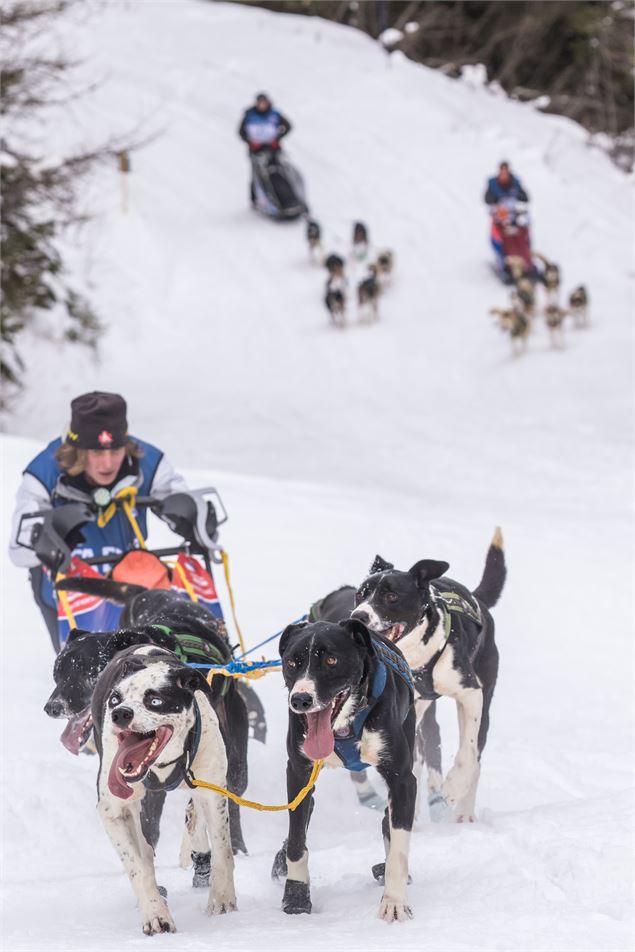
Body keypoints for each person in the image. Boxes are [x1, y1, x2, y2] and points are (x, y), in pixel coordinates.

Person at [9, 391, 189, 648]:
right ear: (78, 450)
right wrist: (48, 537)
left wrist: (189, 517)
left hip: (129, 582)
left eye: (116, 450)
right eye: (96, 452)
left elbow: (179, 497)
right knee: (88, 660)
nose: (108, 462)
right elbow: (18, 552)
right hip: (70, 588)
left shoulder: (149, 461)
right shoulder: (44, 472)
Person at [238, 93, 292, 205]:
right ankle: (256, 199)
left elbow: (288, 126)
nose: (262, 105)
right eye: (260, 103)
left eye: (264, 103)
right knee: (257, 174)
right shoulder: (249, 115)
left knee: (278, 172)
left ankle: (284, 198)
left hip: (273, 148)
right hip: (256, 150)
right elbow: (241, 132)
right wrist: (251, 142)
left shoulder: (274, 114)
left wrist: (277, 138)